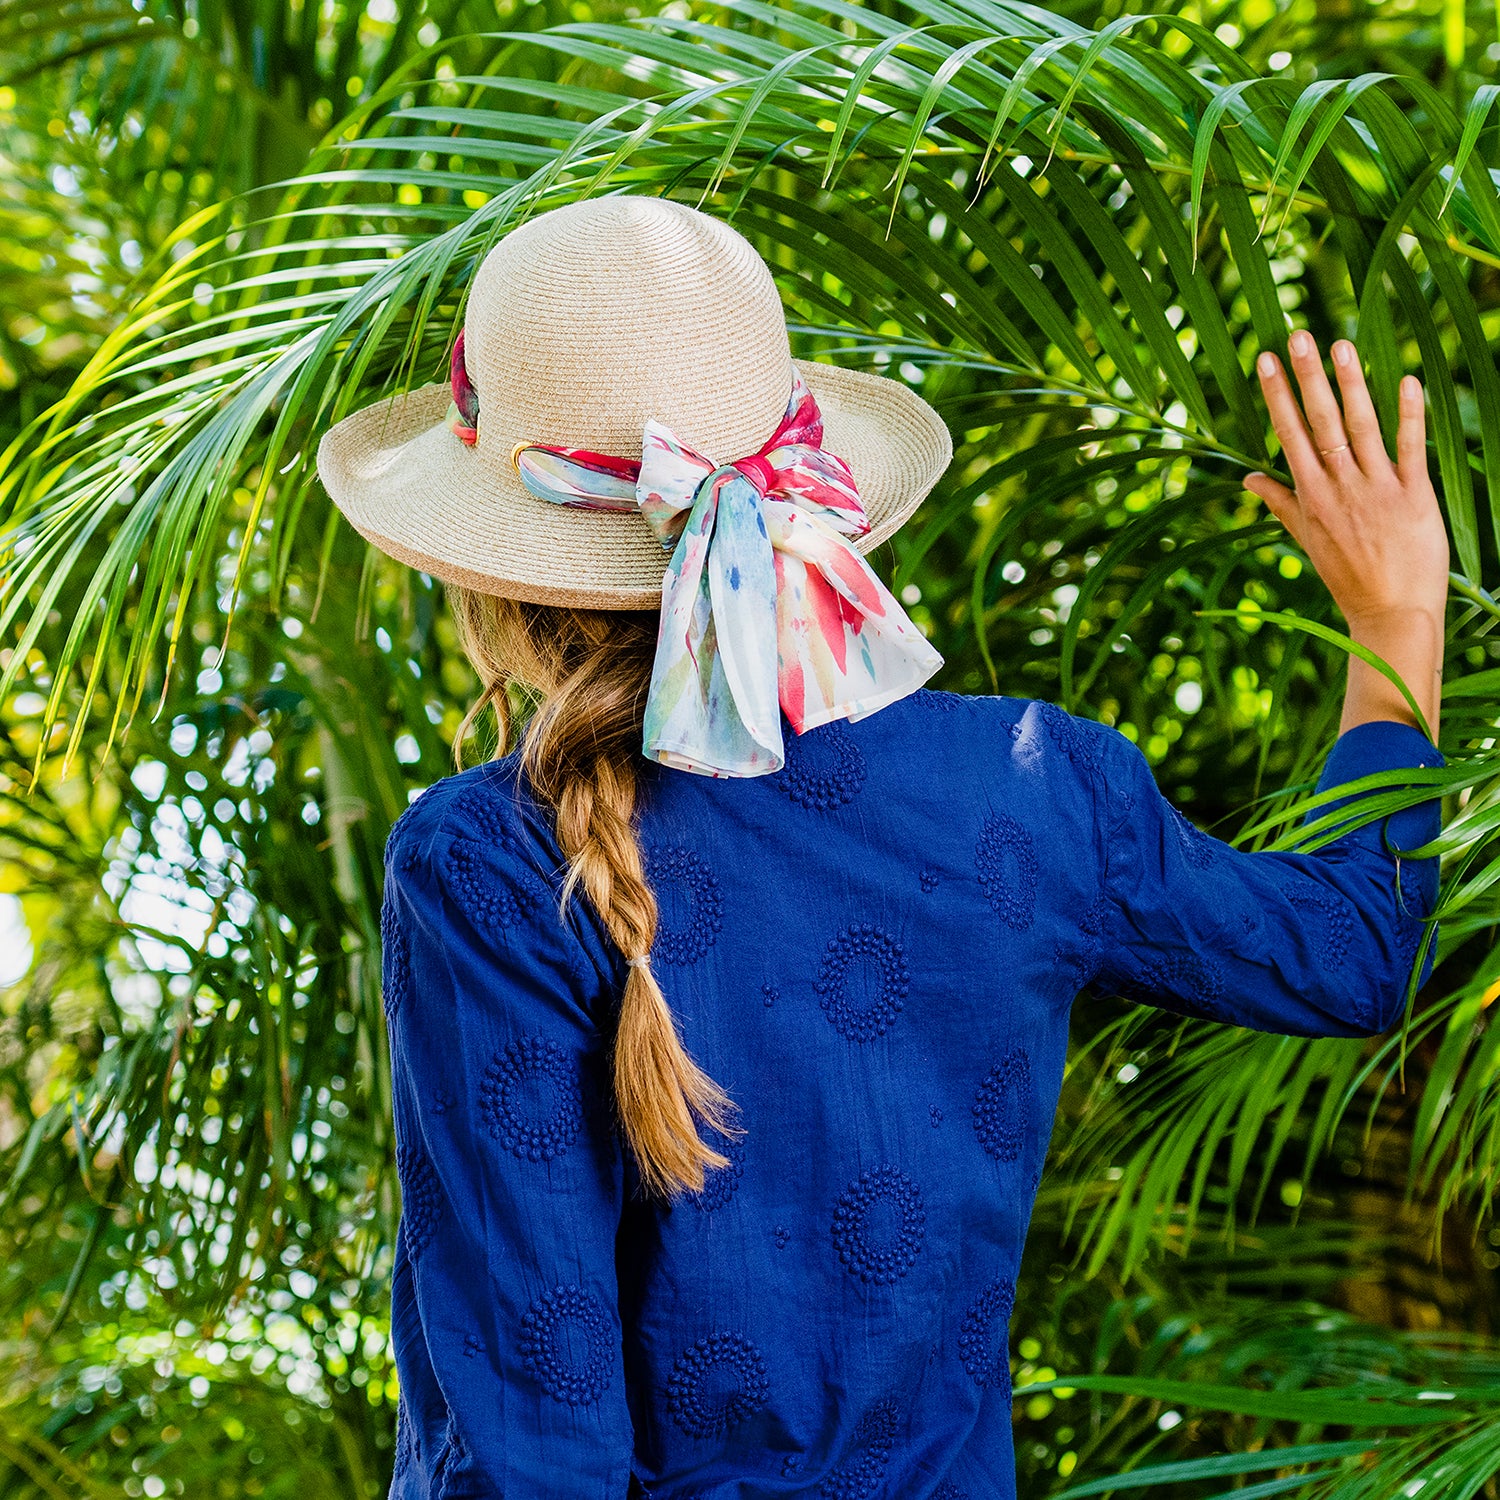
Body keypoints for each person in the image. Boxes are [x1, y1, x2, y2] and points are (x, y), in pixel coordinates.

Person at [316, 195, 1448, 1499]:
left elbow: (528, 1444)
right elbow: (1358, 945)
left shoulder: (486, 862)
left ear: (497, 572)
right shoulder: (1036, 790)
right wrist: (1397, 613)